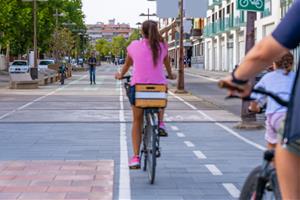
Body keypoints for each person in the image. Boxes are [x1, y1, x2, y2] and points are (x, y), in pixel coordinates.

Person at [221, 1, 300, 199]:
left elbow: (263, 52)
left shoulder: (268, 77)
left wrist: (236, 78)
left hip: (286, 123)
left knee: (285, 148)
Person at [115, 20, 176, 169]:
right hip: (159, 90)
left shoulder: (134, 46)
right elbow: (167, 67)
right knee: (161, 93)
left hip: (139, 89)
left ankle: (135, 157)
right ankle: (161, 123)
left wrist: (120, 75)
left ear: (141, 32)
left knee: (137, 121)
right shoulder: (162, 47)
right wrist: (171, 75)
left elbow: (127, 65)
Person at [249, 53, 295, 150]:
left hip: (275, 116)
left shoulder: (268, 78)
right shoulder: (296, 78)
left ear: (274, 64)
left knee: (272, 145)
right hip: (295, 117)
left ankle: (271, 162)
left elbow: (255, 99)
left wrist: (254, 108)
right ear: (292, 64)